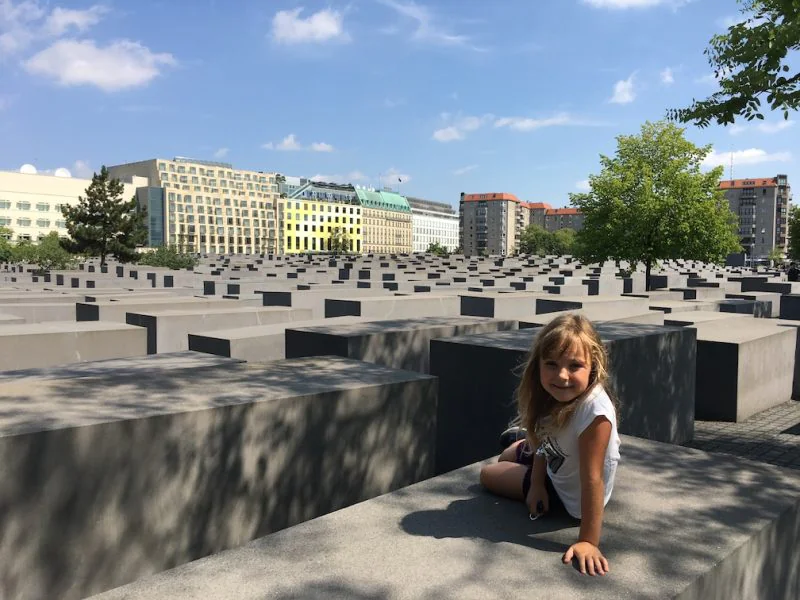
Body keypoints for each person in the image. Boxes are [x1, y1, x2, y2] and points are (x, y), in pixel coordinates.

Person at [479, 314, 621, 577]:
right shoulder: (552, 396)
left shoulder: (594, 413)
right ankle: (521, 444)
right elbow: (545, 441)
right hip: (557, 456)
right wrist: (534, 484)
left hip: (568, 494)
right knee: (506, 453)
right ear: (538, 365)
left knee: (488, 474)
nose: (562, 375)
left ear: (593, 366)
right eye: (551, 364)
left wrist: (589, 541)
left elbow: (593, 478)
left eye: (575, 365)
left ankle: (521, 443)